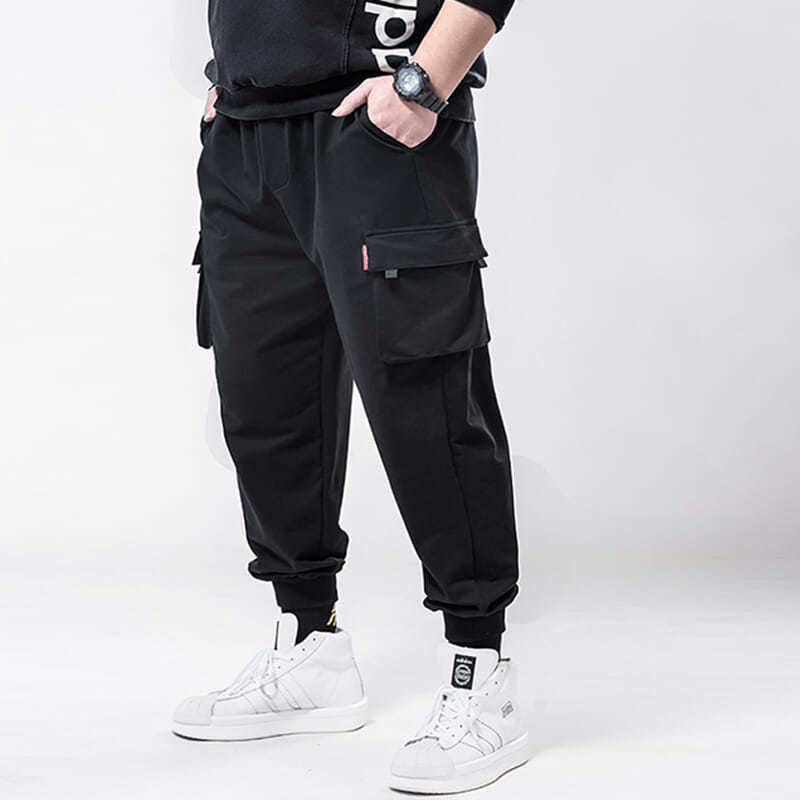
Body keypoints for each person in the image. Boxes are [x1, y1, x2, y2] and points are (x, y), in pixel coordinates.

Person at [173, 0, 527, 792]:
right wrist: (229, 78)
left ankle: (483, 671)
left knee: (424, 404)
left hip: (377, 121)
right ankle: (312, 646)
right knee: (265, 403)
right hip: (245, 136)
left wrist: (423, 83)